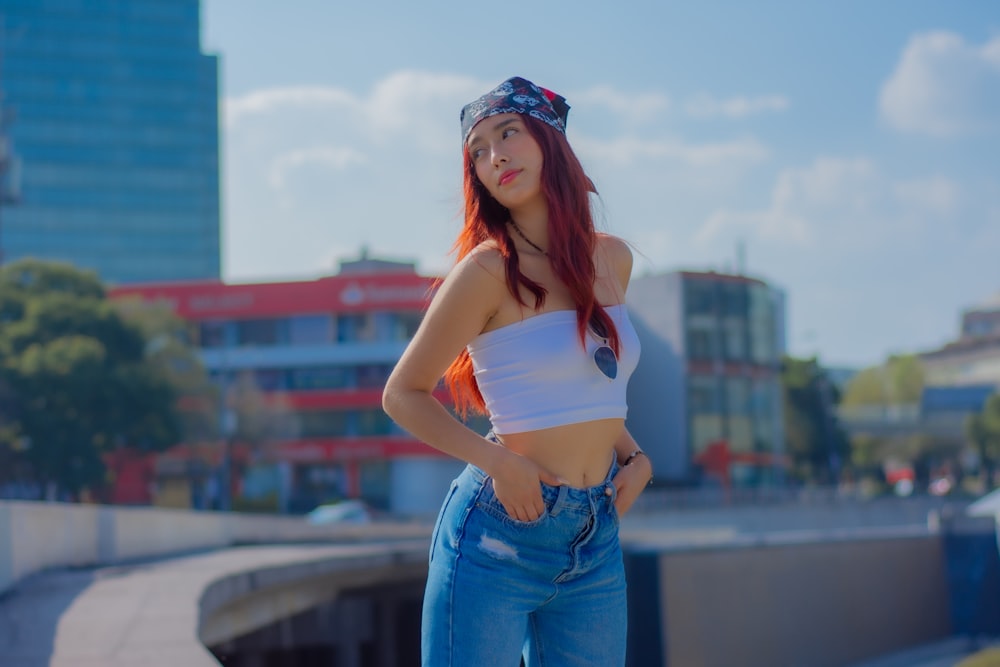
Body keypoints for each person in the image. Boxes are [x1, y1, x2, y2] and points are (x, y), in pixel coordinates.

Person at [382, 76, 653, 667]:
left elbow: (593, 382)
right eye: (477, 151)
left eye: (508, 134)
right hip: (497, 532)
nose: (493, 156)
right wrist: (498, 462)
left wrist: (634, 455)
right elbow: (402, 394)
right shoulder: (487, 271)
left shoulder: (613, 260)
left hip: (595, 533)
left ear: (550, 141)